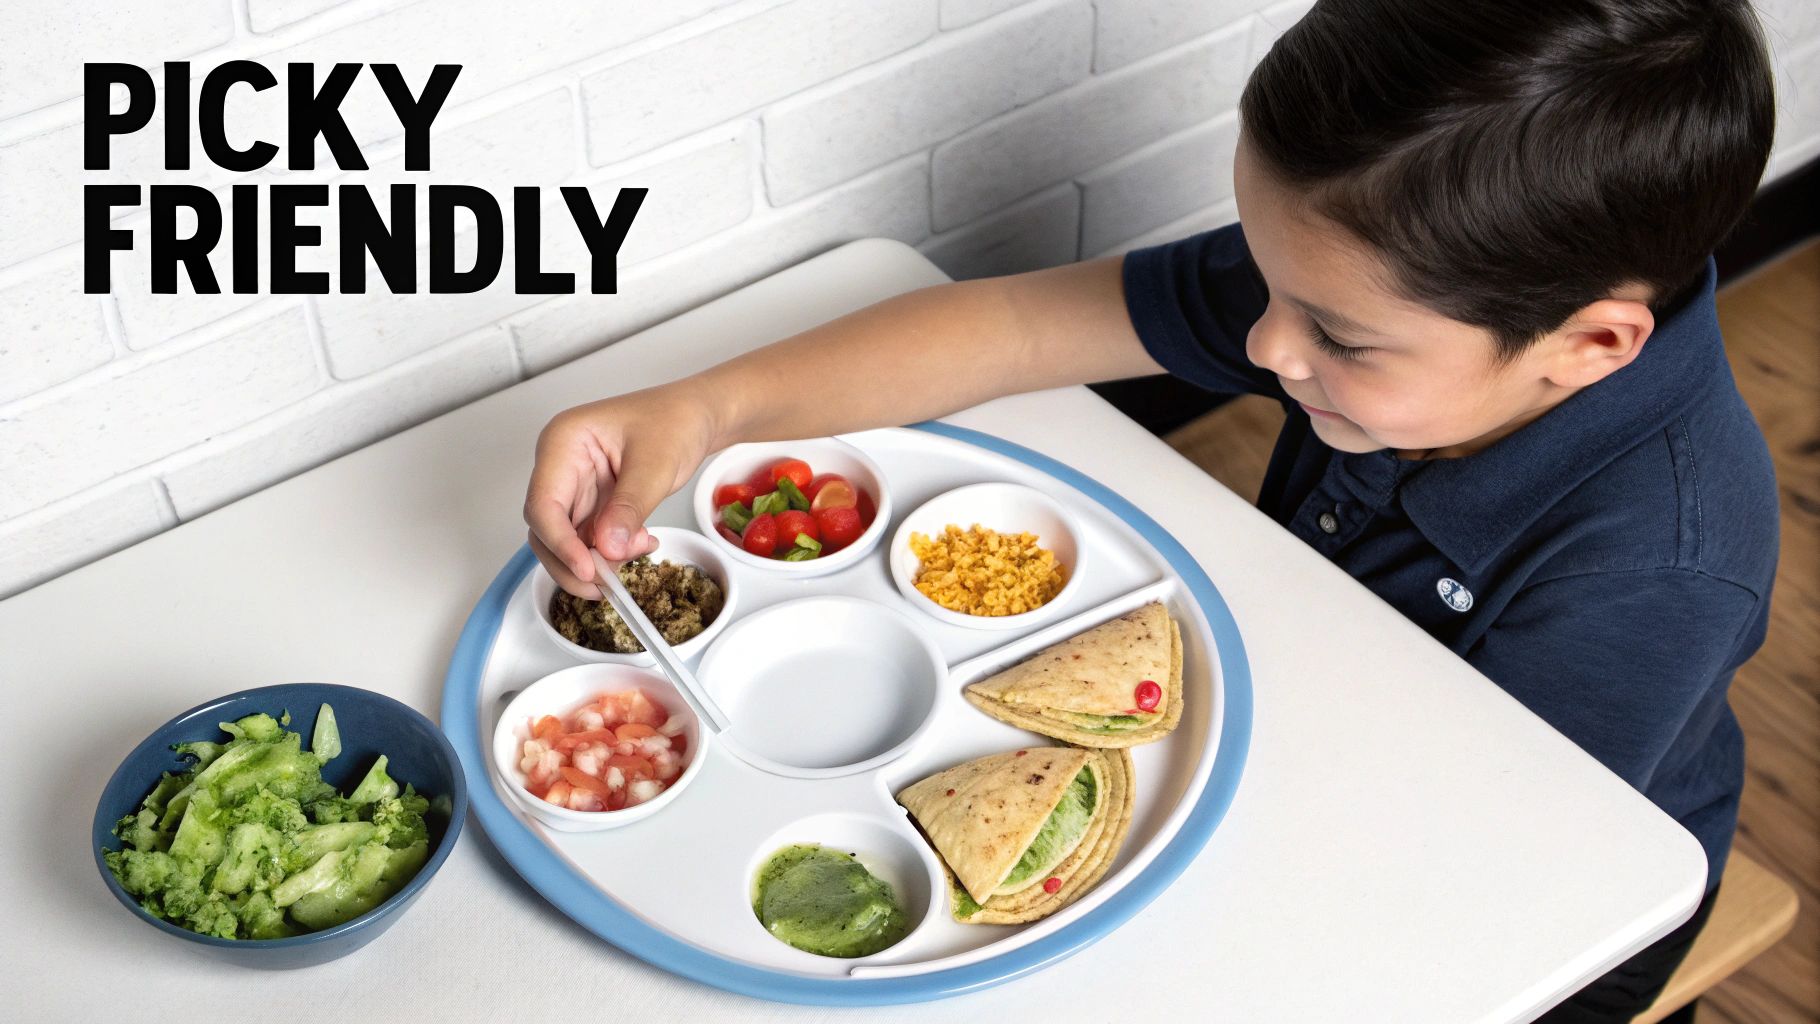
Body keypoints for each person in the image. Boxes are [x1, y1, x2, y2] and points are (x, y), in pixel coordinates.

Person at [523, 2, 1779, 1018]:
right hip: (1319, 719)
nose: (1261, 338)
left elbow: (1465, 867)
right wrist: (705, 409)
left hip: (1532, 909)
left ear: (1589, 343)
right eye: (1266, 273)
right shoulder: (1383, 273)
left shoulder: (1657, 568)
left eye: (1331, 334)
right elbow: (1016, 324)